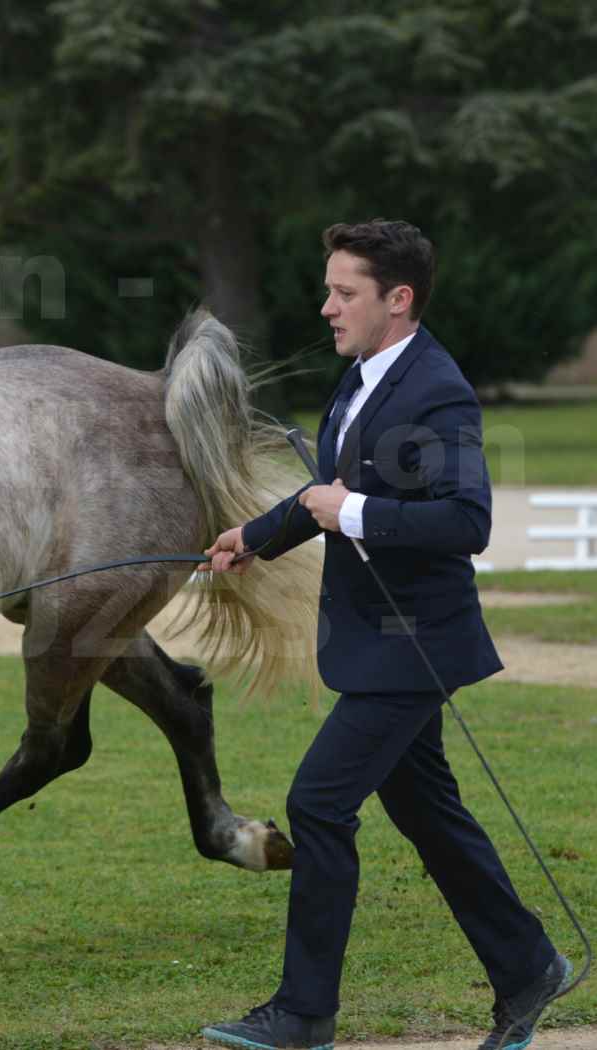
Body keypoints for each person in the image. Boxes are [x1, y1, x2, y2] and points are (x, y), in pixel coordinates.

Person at [197, 220, 572, 1050]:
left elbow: (464, 520)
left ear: (396, 300)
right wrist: (255, 536)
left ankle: (303, 1015)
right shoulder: (365, 376)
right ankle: (527, 967)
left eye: (344, 293)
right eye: (328, 288)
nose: (326, 306)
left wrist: (351, 511)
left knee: (318, 803)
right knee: (428, 813)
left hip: (413, 643)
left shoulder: (434, 388)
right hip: (374, 640)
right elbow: (328, 489)